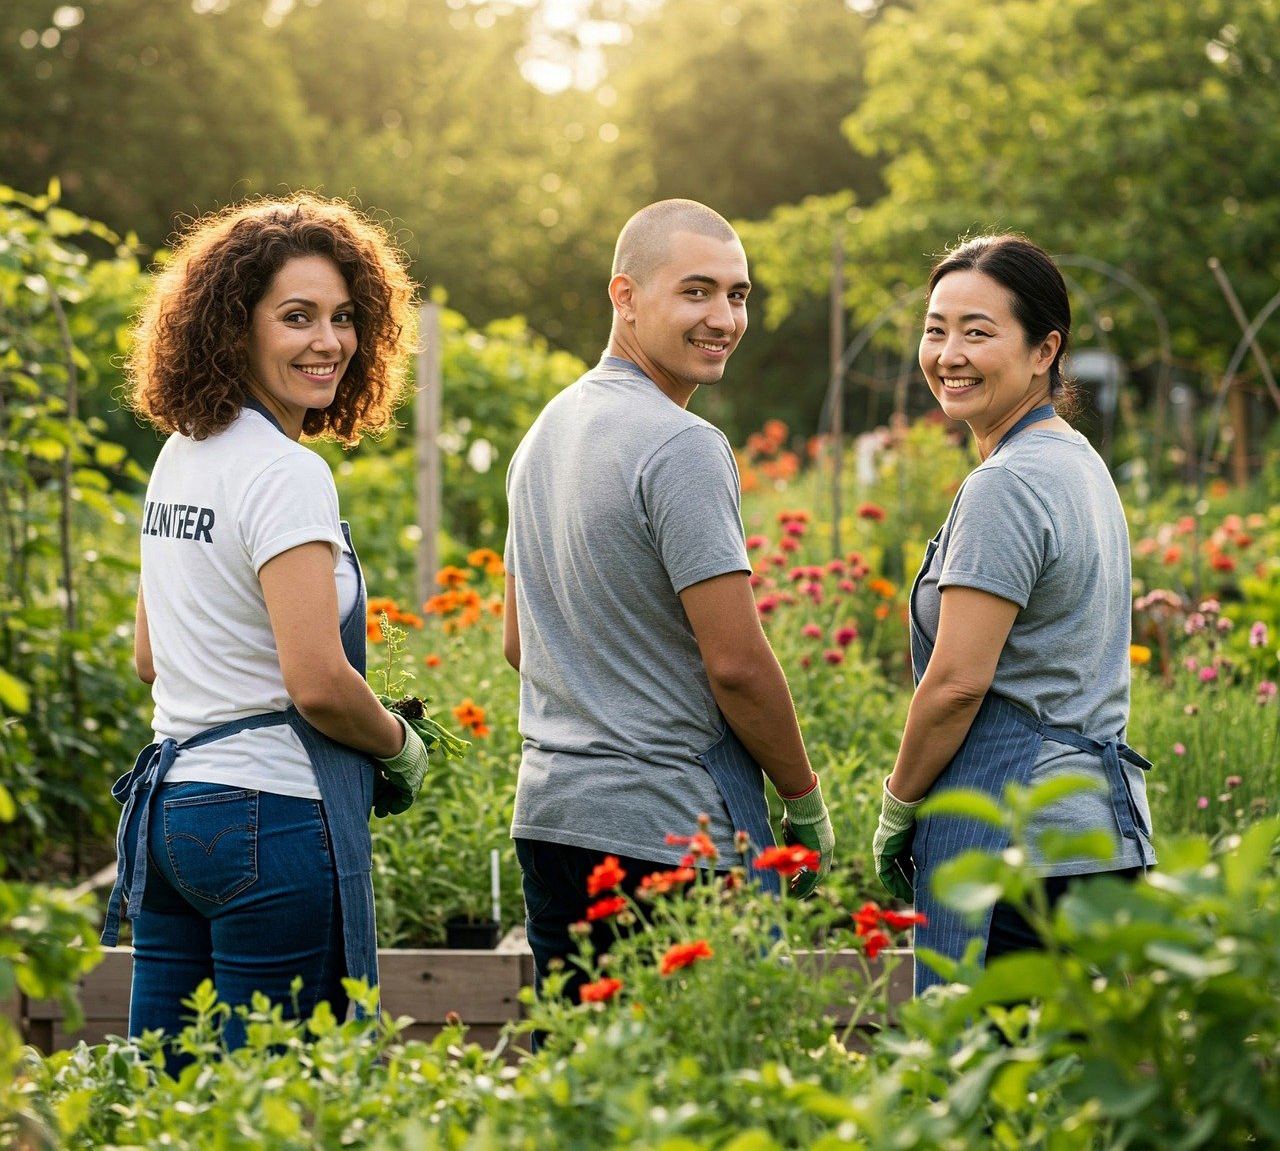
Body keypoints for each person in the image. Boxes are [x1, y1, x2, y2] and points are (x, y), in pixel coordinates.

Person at [101, 193, 431, 1068]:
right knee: (283, 1094)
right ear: (233, 327)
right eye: (296, 317)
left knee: (170, 1095)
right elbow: (316, 682)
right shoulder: (285, 473)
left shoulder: (182, 453)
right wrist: (399, 743)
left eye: (343, 317)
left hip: (171, 819)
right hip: (269, 817)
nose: (329, 341)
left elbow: (149, 658)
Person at [503, 198, 835, 1004]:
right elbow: (736, 664)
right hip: (669, 835)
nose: (723, 317)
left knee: (586, 1069)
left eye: (737, 295)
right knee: (709, 1071)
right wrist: (803, 799)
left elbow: (517, 642)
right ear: (625, 296)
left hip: (552, 820)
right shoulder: (681, 443)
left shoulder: (547, 429)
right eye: (696, 291)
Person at [872, 234, 1157, 994]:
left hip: (1017, 850)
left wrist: (899, 804)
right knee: (1078, 1063)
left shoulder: (1006, 485)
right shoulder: (1079, 462)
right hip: (1100, 840)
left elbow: (956, 683)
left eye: (978, 332)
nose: (949, 355)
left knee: (990, 1062)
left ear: (1043, 351)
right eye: (936, 329)